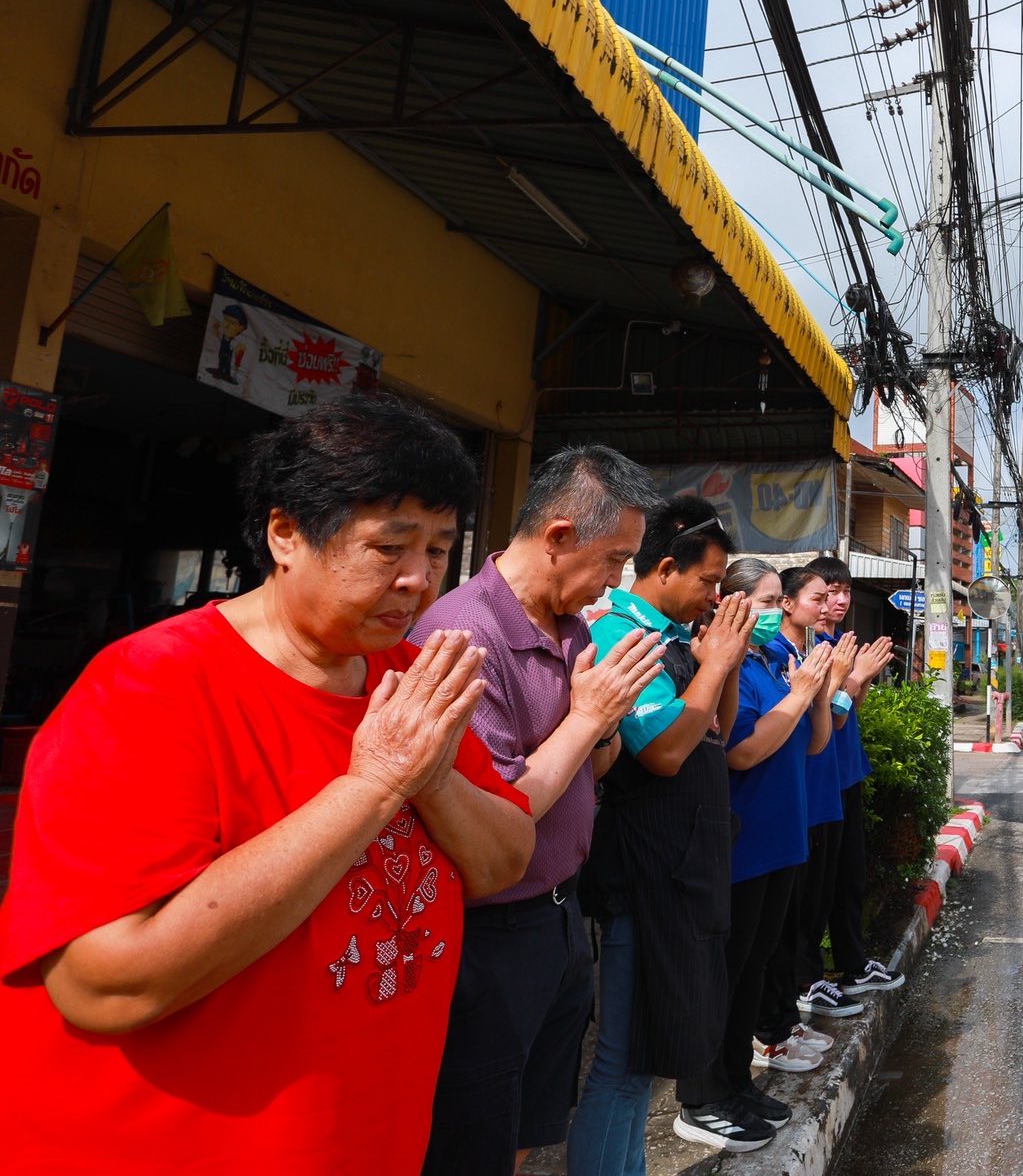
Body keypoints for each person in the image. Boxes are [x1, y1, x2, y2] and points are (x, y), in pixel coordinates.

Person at [0, 395, 534, 1174]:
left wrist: (429, 774)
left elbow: (503, 859)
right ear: (286, 535)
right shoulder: (152, 687)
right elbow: (102, 985)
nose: (420, 580)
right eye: (389, 548)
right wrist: (374, 785)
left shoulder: (410, 680)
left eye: (440, 548)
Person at [415, 446, 668, 1175]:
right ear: (557, 536)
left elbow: (597, 766)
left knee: (530, 1121)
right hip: (489, 932)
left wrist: (605, 723)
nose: (617, 581)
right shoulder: (461, 635)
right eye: (614, 559)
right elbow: (499, 812)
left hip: (559, 915)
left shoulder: (574, 629)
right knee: (474, 1134)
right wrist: (588, 719)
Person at [568, 497, 756, 1175]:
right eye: (707, 582)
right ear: (666, 568)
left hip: (685, 874)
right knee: (621, 1062)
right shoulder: (623, 631)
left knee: (650, 1061)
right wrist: (711, 667)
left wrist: (723, 664)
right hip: (643, 877)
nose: (714, 596)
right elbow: (666, 754)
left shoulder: (679, 640)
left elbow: (716, 732)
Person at [675, 559, 834, 1152]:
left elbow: (816, 743)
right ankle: (702, 1092)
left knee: (756, 966)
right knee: (728, 969)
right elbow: (740, 752)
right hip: (743, 845)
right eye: (765, 603)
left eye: (775, 602)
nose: (774, 614)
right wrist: (797, 698)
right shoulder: (730, 668)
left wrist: (814, 694)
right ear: (730, 605)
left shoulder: (775, 663)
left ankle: (736, 1082)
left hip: (784, 838)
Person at [759, 567, 873, 1061]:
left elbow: (828, 722)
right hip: (799, 796)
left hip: (824, 788)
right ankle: (789, 1005)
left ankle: (789, 1009)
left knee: (817, 898)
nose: (830, 604)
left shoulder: (806, 653)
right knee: (788, 919)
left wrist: (849, 681)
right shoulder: (777, 657)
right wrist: (848, 681)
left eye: (838, 594)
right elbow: (820, 717)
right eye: (820, 596)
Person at [809, 556, 908, 998]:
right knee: (821, 885)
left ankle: (852, 962)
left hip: (847, 770)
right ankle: (813, 976)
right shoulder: (810, 646)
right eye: (831, 592)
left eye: (846, 592)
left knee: (850, 876)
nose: (842, 600)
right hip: (821, 776)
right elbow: (833, 715)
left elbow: (851, 712)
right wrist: (856, 680)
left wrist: (861, 680)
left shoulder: (837, 642)